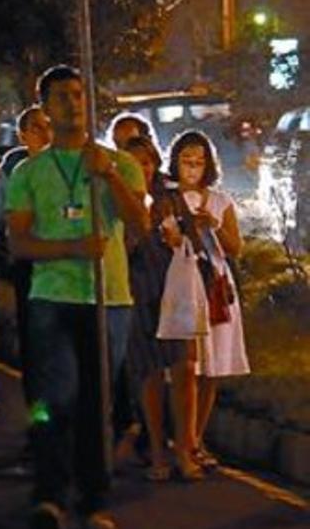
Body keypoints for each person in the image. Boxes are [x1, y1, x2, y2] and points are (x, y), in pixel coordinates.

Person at [6, 65, 149, 529]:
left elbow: (140, 227)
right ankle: (49, 494)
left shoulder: (117, 163)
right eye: (61, 96)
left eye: (78, 94)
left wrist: (108, 178)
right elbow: (19, 243)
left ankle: (94, 498)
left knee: (96, 402)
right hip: (52, 298)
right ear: (45, 109)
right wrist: (70, 248)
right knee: (53, 398)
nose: (72, 102)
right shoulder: (30, 171)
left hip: (108, 298)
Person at [120, 135, 202, 483]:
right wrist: (135, 235)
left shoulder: (169, 199)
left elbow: (194, 242)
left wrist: (178, 240)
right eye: (136, 162)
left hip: (174, 292)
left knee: (184, 369)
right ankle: (156, 449)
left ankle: (185, 447)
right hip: (139, 292)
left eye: (148, 161)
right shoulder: (117, 201)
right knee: (150, 373)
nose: (145, 167)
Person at [167, 130, 249, 471]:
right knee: (187, 367)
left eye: (199, 162)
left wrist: (213, 226)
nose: (192, 168)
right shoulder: (167, 199)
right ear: (175, 162)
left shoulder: (220, 200)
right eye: (187, 161)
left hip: (215, 284)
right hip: (183, 282)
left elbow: (235, 248)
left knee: (212, 368)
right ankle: (181, 440)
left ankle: (196, 438)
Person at [0, 106, 52, 402]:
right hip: (30, 265)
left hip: (66, 266)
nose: (45, 134)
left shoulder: (69, 167)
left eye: (48, 126)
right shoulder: (15, 171)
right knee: (33, 342)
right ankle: (38, 415)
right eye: (37, 128)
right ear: (23, 135)